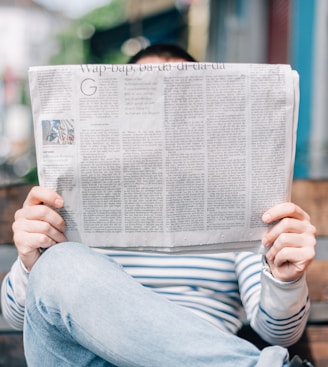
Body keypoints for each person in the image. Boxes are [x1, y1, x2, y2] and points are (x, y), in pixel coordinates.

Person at [1, 44, 316, 367]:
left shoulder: (238, 204)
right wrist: (30, 263)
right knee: (59, 264)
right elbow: (20, 318)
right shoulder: (70, 200)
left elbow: (278, 332)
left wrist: (285, 279)